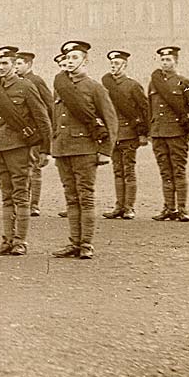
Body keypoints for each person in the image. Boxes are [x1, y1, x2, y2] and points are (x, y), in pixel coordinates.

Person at [50, 41, 117, 260]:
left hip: (85, 149)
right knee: (71, 198)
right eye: (67, 59)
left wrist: (106, 151)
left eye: (75, 58)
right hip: (62, 149)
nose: (70, 62)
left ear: (86, 61)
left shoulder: (94, 87)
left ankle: (86, 243)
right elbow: (55, 117)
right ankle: (74, 243)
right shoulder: (59, 85)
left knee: (85, 197)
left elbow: (110, 120)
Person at [0, 46, 51, 256]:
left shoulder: (26, 86)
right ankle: (7, 240)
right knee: (6, 196)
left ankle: (20, 241)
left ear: (15, 65)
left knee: (21, 195)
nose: (2, 67)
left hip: (18, 147)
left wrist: (45, 149)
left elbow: (42, 118)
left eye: (6, 63)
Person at [148, 46, 189, 222]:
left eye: (168, 60)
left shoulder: (183, 83)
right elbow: (150, 108)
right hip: (158, 132)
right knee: (165, 172)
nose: (165, 63)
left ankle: (182, 209)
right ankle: (169, 208)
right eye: (162, 60)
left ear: (176, 62)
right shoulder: (154, 83)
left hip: (177, 133)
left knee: (178, 170)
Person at [100, 50, 150, 221]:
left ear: (125, 66)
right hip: (114, 135)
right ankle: (119, 206)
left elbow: (144, 109)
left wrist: (143, 133)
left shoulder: (133, 86)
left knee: (128, 170)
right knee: (117, 170)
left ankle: (129, 207)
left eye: (117, 64)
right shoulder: (105, 86)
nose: (114, 67)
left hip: (129, 134)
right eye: (112, 64)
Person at [14, 51, 53, 217]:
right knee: (21, 170)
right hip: (21, 134)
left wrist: (46, 132)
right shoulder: (13, 82)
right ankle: (23, 203)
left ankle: (34, 204)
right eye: (14, 64)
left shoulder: (36, 81)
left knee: (35, 169)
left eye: (19, 64)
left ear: (28, 65)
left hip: (35, 133)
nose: (16, 67)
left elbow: (49, 106)